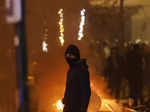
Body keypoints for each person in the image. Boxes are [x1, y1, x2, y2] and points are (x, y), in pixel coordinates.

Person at [62, 45, 91, 112]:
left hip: (77, 107)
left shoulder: (82, 70)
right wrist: (65, 99)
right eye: (67, 55)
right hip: (68, 106)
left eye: (71, 55)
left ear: (76, 56)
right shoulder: (71, 70)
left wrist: (83, 108)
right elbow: (68, 87)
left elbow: (86, 92)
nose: (68, 57)